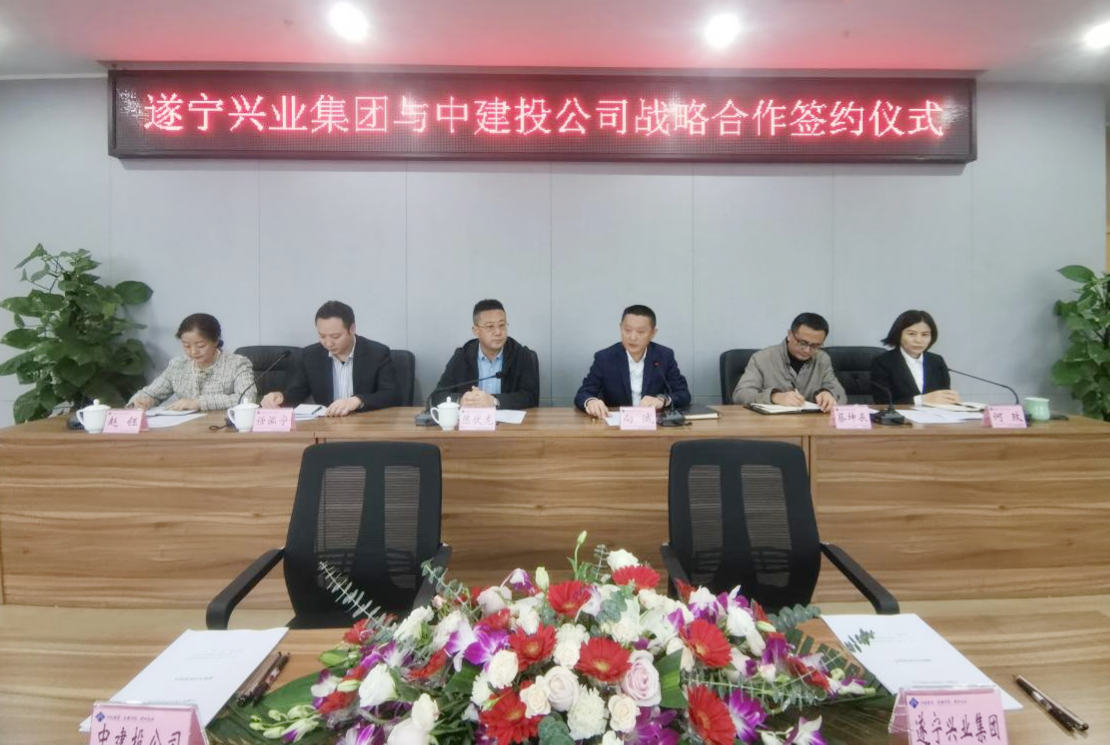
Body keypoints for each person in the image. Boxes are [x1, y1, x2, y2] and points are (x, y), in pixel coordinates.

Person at [260, 300, 398, 416]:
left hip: (365, 425)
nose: (328, 343)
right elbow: (297, 392)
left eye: (335, 337)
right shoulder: (310, 356)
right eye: (322, 336)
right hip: (327, 426)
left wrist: (357, 401)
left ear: (352, 329)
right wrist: (281, 397)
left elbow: (391, 395)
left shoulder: (377, 353)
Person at [574, 304, 691, 419]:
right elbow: (583, 393)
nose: (632, 337)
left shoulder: (664, 356)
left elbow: (683, 394)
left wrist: (662, 400)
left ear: (653, 333)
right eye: (627, 330)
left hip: (654, 424)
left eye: (641, 332)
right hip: (615, 425)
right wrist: (591, 401)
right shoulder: (605, 358)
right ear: (620, 328)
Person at [128, 313, 255, 411]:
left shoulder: (237, 363)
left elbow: (247, 398)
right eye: (186, 346)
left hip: (221, 428)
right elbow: (150, 393)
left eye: (200, 345)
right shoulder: (178, 365)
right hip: (185, 430)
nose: (193, 352)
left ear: (216, 341)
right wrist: (141, 401)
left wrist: (199, 403)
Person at [432, 299, 540, 409]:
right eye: (490, 326)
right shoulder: (462, 357)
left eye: (502, 325)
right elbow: (437, 395)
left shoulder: (520, 355)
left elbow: (531, 397)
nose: (498, 332)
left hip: (508, 420)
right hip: (472, 419)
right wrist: (461, 400)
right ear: (476, 331)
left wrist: (495, 401)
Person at [732, 312, 846, 412]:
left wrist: (828, 394)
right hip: (771, 426)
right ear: (790, 335)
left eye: (815, 346)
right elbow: (740, 395)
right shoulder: (762, 358)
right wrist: (775, 397)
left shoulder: (822, 359)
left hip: (810, 425)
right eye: (803, 343)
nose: (807, 350)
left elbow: (840, 394)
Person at [870, 309, 959, 406]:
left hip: (935, 415)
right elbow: (883, 404)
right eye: (911, 334)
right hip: (900, 416)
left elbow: (943, 397)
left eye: (925, 334)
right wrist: (921, 400)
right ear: (898, 335)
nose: (918, 340)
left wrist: (951, 400)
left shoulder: (937, 361)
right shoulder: (882, 362)